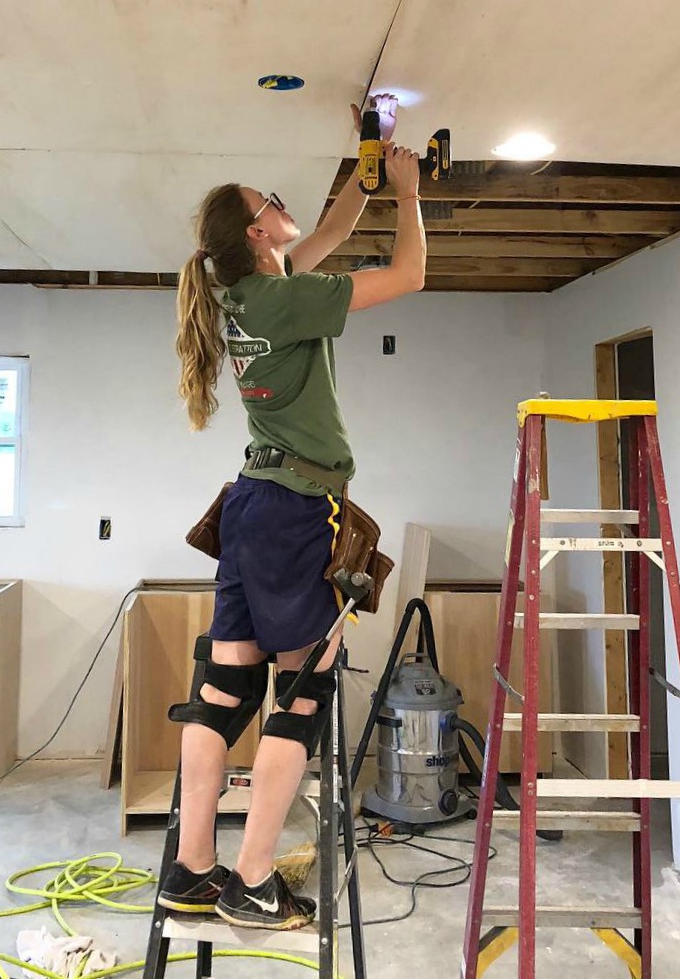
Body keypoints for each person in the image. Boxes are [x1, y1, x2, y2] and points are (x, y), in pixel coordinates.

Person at [157, 95, 427, 931]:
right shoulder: (281, 299)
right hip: (290, 510)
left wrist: (372, 152)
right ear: (257, 233)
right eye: (268, 202)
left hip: (250, 507)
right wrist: (412, 198)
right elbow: (410, 274)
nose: (283, 206)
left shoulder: (253, 293)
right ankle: (253, 879)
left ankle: (191, 872)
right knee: (301, 694)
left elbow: (339, 226)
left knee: (221, 690)